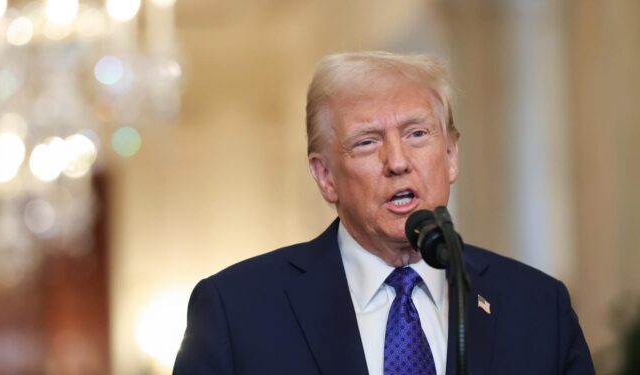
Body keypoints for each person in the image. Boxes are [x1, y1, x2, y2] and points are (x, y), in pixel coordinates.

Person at [173, 51, 595, 375]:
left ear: (450, 156)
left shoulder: (539, 307)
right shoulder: (237, 311)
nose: (397, 161)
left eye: (416, 134)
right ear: (325, 177)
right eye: (367, 142)